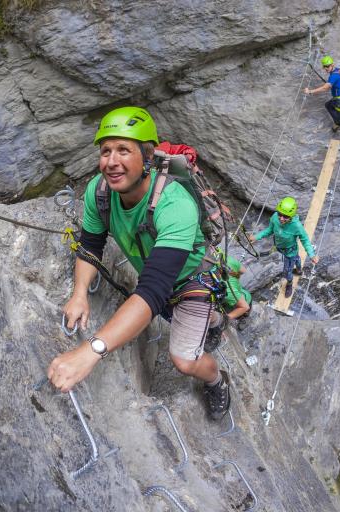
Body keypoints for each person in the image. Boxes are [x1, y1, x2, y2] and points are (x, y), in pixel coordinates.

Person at [47, 106, 230, 421]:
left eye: (123, 150)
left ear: (148, 158)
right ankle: (214, 321)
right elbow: (91, 244)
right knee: (181, 313)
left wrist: (90, 352)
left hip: (191, 279)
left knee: (184, 360)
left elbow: (154, 290)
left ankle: (218, 380)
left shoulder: (175, 205)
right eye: (105, 151)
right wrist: (79, 293)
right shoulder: (99, 192)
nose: (111, 161)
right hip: (156, 273)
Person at [249, 197, 319, 298]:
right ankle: (299, 271)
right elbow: (270, 230)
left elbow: (305, 241)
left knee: (287, 271)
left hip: (290, 251)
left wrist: (312, 255)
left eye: (285, 216)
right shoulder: (275, 217)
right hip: (280, 246)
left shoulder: (297, 226)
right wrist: (257, 236)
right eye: (280, 214)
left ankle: (289, 283)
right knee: (297, 258)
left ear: (292, 215)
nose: (281, 218)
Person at [304, 55, 340, 143]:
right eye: (324, 66)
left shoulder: (334, 76)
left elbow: (325, 88)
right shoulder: (336, 71)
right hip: (339, 98)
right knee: (328, 105)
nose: (326, 68)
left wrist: (310, 91)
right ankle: (337, 123)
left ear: (332, 65)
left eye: (328, 66)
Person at [221, 253, 252, 327]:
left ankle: (243, 316)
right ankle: (243, 316)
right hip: (240, 293)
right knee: (244, 298)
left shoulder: (227, 289)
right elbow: (243, 270)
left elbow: (244, 307)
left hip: (237, 297)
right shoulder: (225, 259)